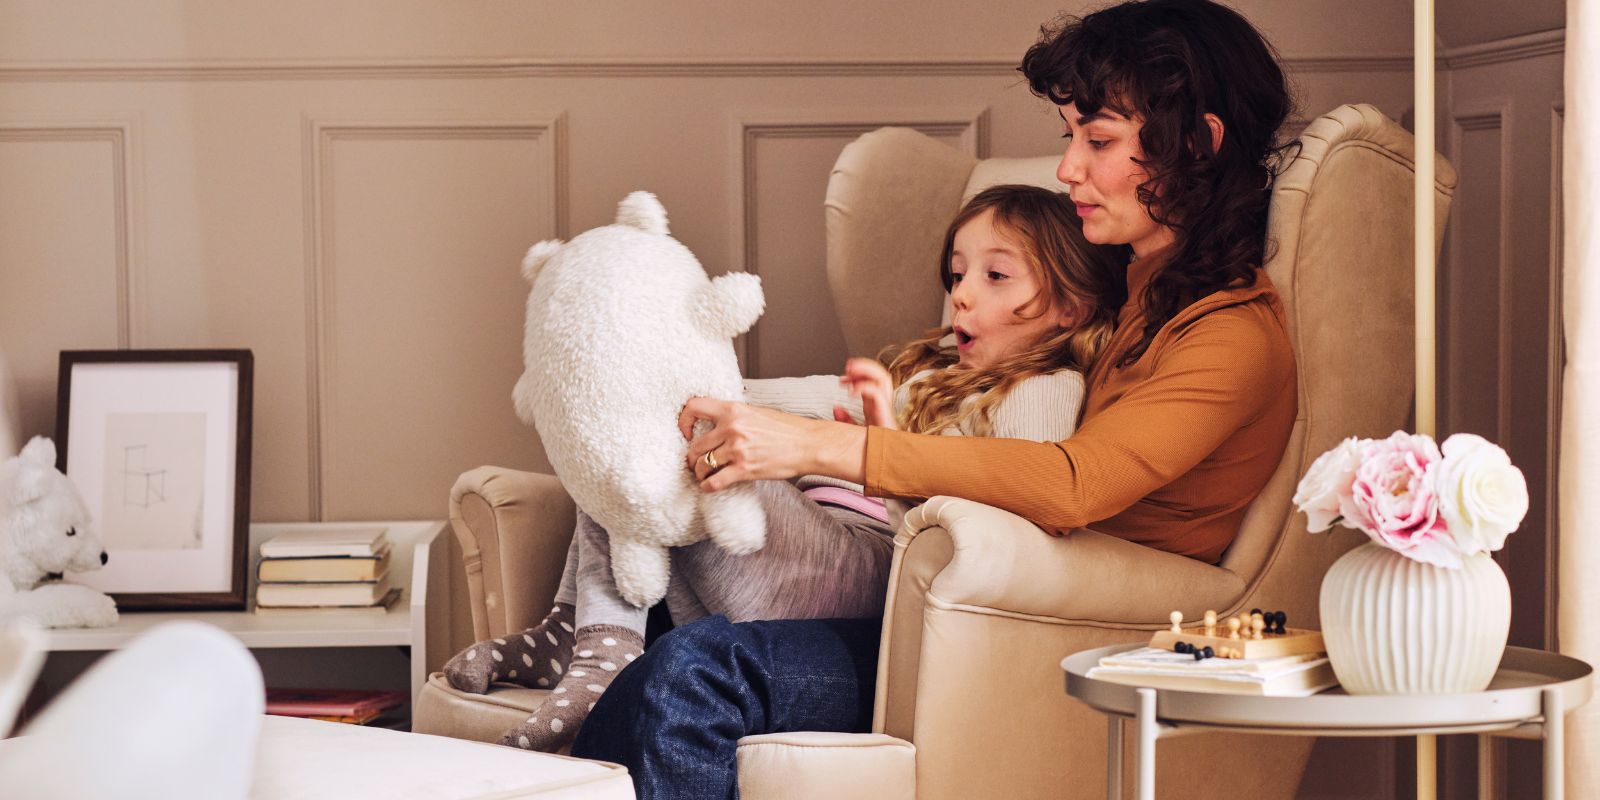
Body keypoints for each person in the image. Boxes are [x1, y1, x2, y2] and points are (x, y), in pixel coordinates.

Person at [571, 1, 1300, 797]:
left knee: (695, 671)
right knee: (659, 664)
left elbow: (1072, 481)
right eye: (1070, 138)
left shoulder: (1230, 337)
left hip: (1055, 639)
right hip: (956, 604)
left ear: (1197, 144)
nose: (1067, 170)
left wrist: (821, 447)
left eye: (1098, 141)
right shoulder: (1128, 294)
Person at [440, 185, 1125, 752]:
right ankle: (581, 627)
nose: (961, 295)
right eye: (956, 273)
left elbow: (1003, 534)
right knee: (646, 428)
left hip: (866, 570)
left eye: (995, 275)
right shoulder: (919, 370)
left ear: (1070, 303)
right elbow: (759, 403)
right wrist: (668, 381)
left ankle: (601, 645)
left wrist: (884, 437)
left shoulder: (1042, 390)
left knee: (676, 447)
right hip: (795, 552)